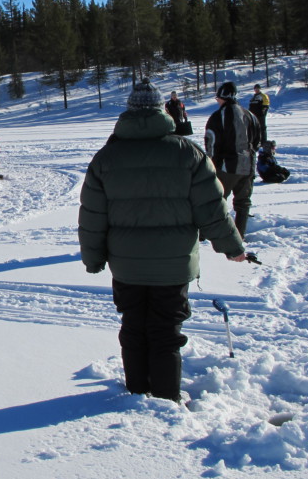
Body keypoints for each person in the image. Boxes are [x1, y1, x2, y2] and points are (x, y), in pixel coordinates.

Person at [79, 79, 247, 403]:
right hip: (173, 266)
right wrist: (233, 248)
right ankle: (166, 398)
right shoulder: (189, 153)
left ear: (130, 110)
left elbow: (91, 217)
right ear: (161, 110)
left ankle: (137, 393)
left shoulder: (106, 157)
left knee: (133, 328)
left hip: (127, 267)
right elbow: (213, 209)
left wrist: (93, 258)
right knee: (165, 334)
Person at [205, 81, 261, 238]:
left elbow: (212, 143)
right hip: (248, 165)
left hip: (226, 167)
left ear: (222, 98)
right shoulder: (250, 115)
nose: (217, 101)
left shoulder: (218, 117)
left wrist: (211, 164)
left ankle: (211, 235)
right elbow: (257, 140)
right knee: (243, 204)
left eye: (218, 98)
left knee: (215, 201)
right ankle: (239, 236)